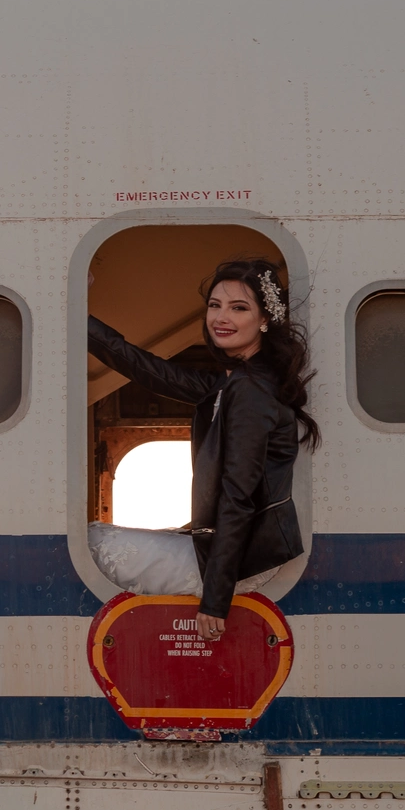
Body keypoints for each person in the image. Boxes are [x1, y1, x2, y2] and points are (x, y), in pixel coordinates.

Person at [86, 257, 320, 639]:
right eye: (215, 306)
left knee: (93, 542)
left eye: (238, 307)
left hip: (241, 561)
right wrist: (75, 311)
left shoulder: (248, 390)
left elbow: (238, 495)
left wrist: (215, 600)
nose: (221, 318)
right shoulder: (238, 381)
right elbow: (147, 369)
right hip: (239, 550)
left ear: (264, 319)